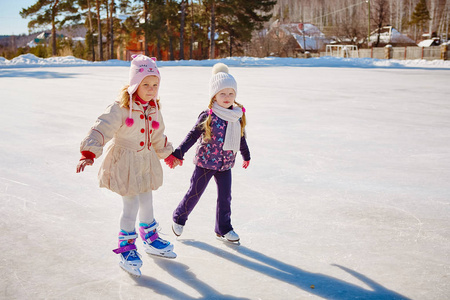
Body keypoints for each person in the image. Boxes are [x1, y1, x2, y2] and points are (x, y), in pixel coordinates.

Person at [76, 55, 177, 277]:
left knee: (147, 200)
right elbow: (101, 128)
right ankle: (126, 248)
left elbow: (158, 134)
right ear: (134, 84)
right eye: (146, 85)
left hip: (146, 161)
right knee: (130, 206)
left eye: (155, 85)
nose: (151, 89)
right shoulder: (120, 108)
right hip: (125, 163)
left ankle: (150, 238)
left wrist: (166, 154)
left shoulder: (154, 108)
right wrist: (89, 152)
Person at [165, 63, 251, 243]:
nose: (227, 97)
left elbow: (241, 137)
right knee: (195, 192)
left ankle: (224, 228)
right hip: (205, 162)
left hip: (225, 164)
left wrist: (246, 155)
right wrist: (179, 152)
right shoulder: (208, 115)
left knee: (225, 197)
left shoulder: (237, 116)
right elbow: (193, 134)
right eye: (222, 93)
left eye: (231, 93)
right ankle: (179, 218)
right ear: (214, 95)